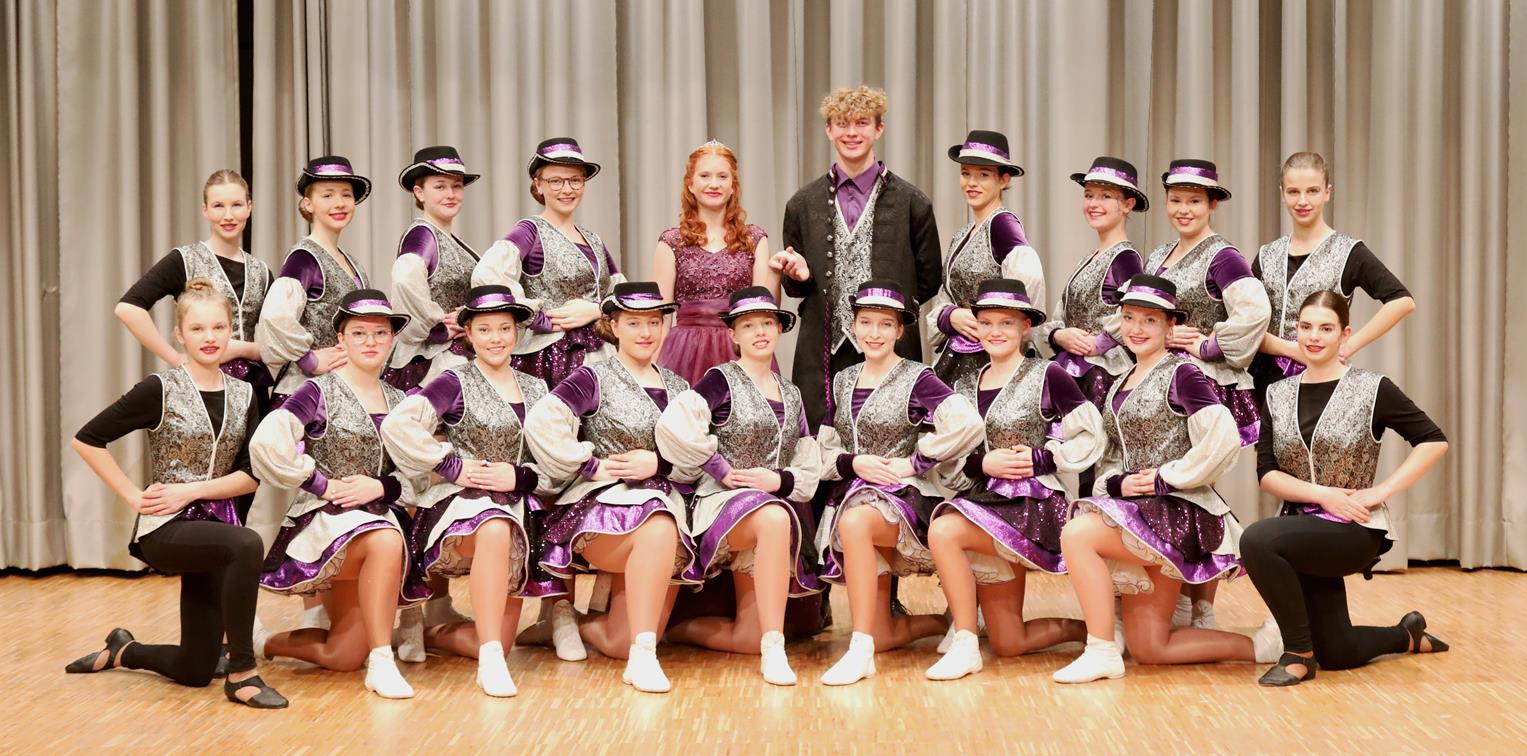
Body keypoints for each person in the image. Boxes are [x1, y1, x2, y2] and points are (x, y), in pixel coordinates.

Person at [66, 279, 287, 709]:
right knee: (248, 543)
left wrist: (191, 490)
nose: (210, 337)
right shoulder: (160, 389)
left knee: (194, 669)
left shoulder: (245, 394)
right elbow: (87, 439)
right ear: (180, 334)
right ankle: (244, 673)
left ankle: (123, 650)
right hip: (166, 528)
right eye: (198, 328)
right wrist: (134, 497)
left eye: (218, 327)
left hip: (217, 534)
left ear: (231, 332)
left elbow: (251, 476)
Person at [1051, 275, 1281, 684]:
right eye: (1129, 318)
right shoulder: (1119, 383)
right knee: (1150, 649)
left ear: (1170, 326)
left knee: (1078, 534)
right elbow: (1111, 456)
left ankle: (1101, 649)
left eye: (1150, 320)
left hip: (1177, 511)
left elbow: (1222, 437)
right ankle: (1261, 647)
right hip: (1140, 513)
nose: (1136, 329)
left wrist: (1166, 477)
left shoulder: (1183, 374)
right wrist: (1116, 485)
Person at [1242, 291, 1448, 686]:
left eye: (1326, 328)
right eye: (1305, 327)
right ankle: (1407, 635)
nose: (1313, 337)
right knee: (1337, 651)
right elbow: (1267, 474)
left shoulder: (1372, 388)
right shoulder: (1276, 394)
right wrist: (1322, 495)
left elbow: (1433, 440)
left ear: (1345, 334)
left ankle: (1297, 655)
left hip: (1353, 529)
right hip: (1301, 526)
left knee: (1256, 540)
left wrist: (1381, 492)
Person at [250, 290, 427, 699]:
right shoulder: (317, 392)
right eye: (359, 333)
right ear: (341, 339)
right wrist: (321, 484)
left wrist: (381, 486)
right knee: (386, 538)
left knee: (344, 656)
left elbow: (417, 473)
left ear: (392, 339)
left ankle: (262, 642)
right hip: (328, 524)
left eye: (380, 333)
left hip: (378, 518)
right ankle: (382, 661)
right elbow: (268, 443)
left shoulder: (403, 401)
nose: (370, 341)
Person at [925, 279, 1104, 681]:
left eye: (1006, 323)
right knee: (1009, 643)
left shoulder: (1048, 374)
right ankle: (1085, 631)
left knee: (944, 530)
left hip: (1032, 504)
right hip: (985, 500)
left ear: (1025, 326)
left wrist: (1043, 458)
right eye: (986, 322)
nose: (995, 332)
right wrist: (982, 464)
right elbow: (949, 456)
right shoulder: (963, 387)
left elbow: (1091, 434)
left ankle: (965, 643)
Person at [523, 282, 698, 693]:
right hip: (606, 509)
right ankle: (643, 658)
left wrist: (660, 464)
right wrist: (589, 464)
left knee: (619, 643)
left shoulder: (679, 387)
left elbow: (698, 453)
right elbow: (542, 421)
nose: (645, 332)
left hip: (665, 505)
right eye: (633, 323)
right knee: (659, 525)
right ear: (614, 327)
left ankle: (574, 621)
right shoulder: (593, 377)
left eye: (654, 322)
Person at [813, 280, 984, 686]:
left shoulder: (917, 377)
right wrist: (855, 462)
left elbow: (968, 424)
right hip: (855, 493)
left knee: (855, 522)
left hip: (905, 499)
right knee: (883, 635)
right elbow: (825, 449)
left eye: (885, 324)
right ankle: (943, 621)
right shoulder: (843, 380)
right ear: (853, 326)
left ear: (900, 330)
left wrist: (914, 462)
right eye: (866, 322)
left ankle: (860, 651)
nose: (874, 333)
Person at [380, 286, 549, 697]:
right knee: (494, 526)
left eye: (504, 328)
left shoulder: (538, 389)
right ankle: (490, 662)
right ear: (468, 334)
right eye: (485, 329)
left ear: (517, 332)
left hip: (521, 507)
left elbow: (554, 456)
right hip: (464, 507)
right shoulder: (453, 381)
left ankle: (430, 633)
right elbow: (398, 425)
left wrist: (520, 478)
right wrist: (451, 466)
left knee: (502, 639)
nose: (496, 338)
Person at [655, 287, 821, 686]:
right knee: (775, 518)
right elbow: (674, 426)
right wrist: (720, 467)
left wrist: (779, 480)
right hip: (721, 504)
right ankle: (775, 649)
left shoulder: (792, 393)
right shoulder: (720, 380)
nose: (760, 332)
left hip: (767, 506)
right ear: (733, 335)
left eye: (767, 323)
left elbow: (807, 461)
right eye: (748, 326)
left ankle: (676, 633)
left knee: (747, 638)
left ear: (779, 329)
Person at [1143, 159, 1272, 630]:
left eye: (1194, 201)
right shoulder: (1159, 255)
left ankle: (1201, 603)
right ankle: (1178, 592)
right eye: (1176, 200)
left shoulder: (1223, 256)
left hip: (1200, 386)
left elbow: (1255, 312)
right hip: (1160, 384)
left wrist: (1206, 344)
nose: (1184, 209)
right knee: (1173, 490)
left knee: (1197, 488)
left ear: (1212, 204)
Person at [770, 85, 942, 427]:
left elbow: (929, 279)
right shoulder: (802, 204)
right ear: (828, 130)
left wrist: (885, 319)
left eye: (862, 123)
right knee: (821, 440)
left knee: (892, 434)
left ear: (879, 129)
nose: (851, 132)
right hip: (823, 352)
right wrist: (800, 276)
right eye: (842, 123)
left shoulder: (912, 202)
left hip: (890, 350)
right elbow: (795, 290)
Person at [1252, 151, 1416, 394]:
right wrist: (1290, 349)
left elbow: (1402, 301)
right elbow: (1246, 320)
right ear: (1282, 194)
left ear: (1327, 192)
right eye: (1294, 192)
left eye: (1312, 191)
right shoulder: (1267, 255)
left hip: (1321, 379)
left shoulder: (1348, 252)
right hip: (1262, 382)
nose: (1302, 201)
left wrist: (1348, 346)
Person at [473, 137, 622, 389]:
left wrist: (597, 311)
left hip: (601, 351)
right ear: (538, 185)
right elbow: (487, 274)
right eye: (556, 181)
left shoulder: (593, 239)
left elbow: (618, 291)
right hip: (551, 356)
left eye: (575, 180)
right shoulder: (530, 231)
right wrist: (536, 318)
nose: (567, 189)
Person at [115, 169, 274, 400]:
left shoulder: (261, 272)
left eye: (237, 205)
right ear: (205, 209)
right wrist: (174, 358)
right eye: (218, 206)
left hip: (253, 393)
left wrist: (245, 349)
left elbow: (277, 340)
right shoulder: (184, 259)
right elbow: (128, 308)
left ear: (249, 208)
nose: (228, 215)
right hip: (202, 390)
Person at [925, 129, 1044, 388]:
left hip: (990, 358)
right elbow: (947, 294)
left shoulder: (1003, 225)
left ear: (1003, 179)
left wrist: (994, 327)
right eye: (966, 173)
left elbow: (1028, 284)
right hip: (959, 354)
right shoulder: (962, 234)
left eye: (983, 175)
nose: (972, 183)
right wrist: (951, 316)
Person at [652, 140, 778, 385]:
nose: (714, 184)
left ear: (733, 186)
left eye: (722, 176)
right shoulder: (671, 242)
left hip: (740, 349)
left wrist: (777, 273)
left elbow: (764, 309)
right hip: (684, 352)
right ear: (690, 184)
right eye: (705, 176)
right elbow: (661, 317)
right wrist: (651, 374)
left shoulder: (754, 239)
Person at [1032, 156, 1147, 411]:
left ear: (1128, 204)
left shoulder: (1125, 259)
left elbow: (1136, 313)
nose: (1094, 204)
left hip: (1101, 375)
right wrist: (1058, 335)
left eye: (1105, 196)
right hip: (1070, 367)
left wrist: (1097, 344)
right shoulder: (1089, 259)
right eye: (1089, 195)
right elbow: (1062, 313)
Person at [257, 156, 374, 402]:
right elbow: (274, 315)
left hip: (344, 390)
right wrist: (309, 359)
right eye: (328, 195)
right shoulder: (304, 258)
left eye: (346, 195)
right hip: (306, 396)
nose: (339, 203)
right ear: (308, 204)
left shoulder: (354, 264)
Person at [386, 146, 484, 390]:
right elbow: (404, 279)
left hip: (457, 355)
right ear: (419, 193)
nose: (450, 194)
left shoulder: (448, 239)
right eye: (440, 186)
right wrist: (438, 330)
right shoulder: (423, 236)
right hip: (435, 361)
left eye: (457, 186)